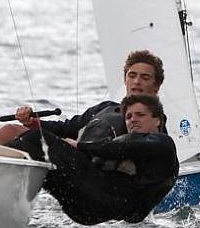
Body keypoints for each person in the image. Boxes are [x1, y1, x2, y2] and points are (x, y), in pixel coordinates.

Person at [29, 94, 178, 225]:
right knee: (45, 162)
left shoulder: (164, 144)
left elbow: (123, 148)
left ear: (158, 120)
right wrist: (35, 123)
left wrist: (79, 146)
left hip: (103, 203)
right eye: (128, 117)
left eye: (140, 115)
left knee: (36, 139)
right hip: (83, 208)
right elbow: (68, 127)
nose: (133, 120)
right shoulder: (122, 135)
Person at [0, 49, 164, 145]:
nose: (137, 81)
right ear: (125, 79)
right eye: (132, 75)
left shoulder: (151, 120)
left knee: (9, 131)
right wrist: (32, 121)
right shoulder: (106, 107)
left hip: (85, 167)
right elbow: (66, 128)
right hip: (71, 153)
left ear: (156, 86)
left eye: (145, 77)